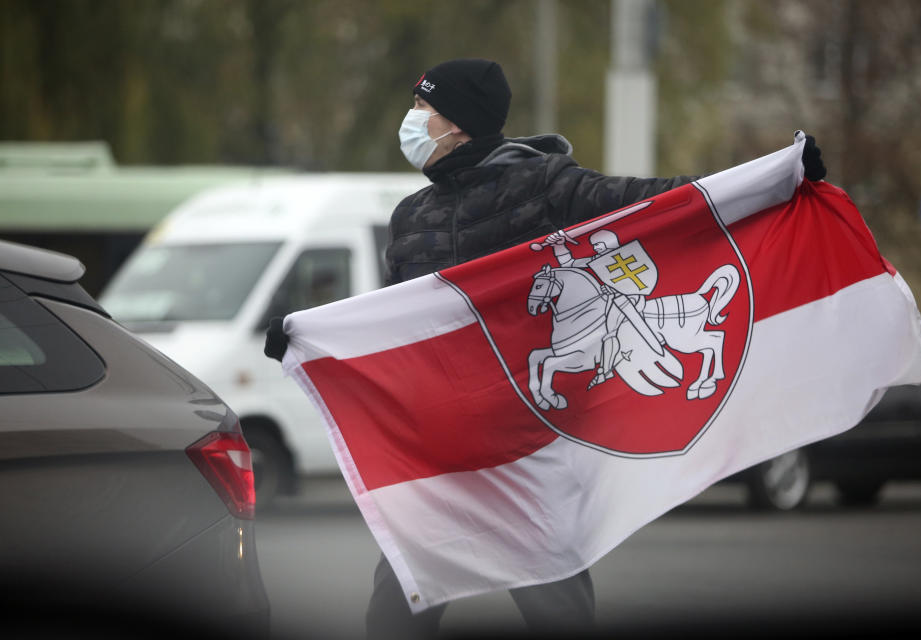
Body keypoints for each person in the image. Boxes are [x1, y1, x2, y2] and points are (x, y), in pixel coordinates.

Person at [265, 58, 826, 638]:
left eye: (422, 109)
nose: (412, 120)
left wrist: (779, 177)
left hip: (525, 449)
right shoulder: (413, 216)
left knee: (557, 612)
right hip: (441, 452)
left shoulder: (548, 186)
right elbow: (389, 324)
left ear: (455, 123)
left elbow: (662, 203)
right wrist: (304, 332)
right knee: (395, 613)